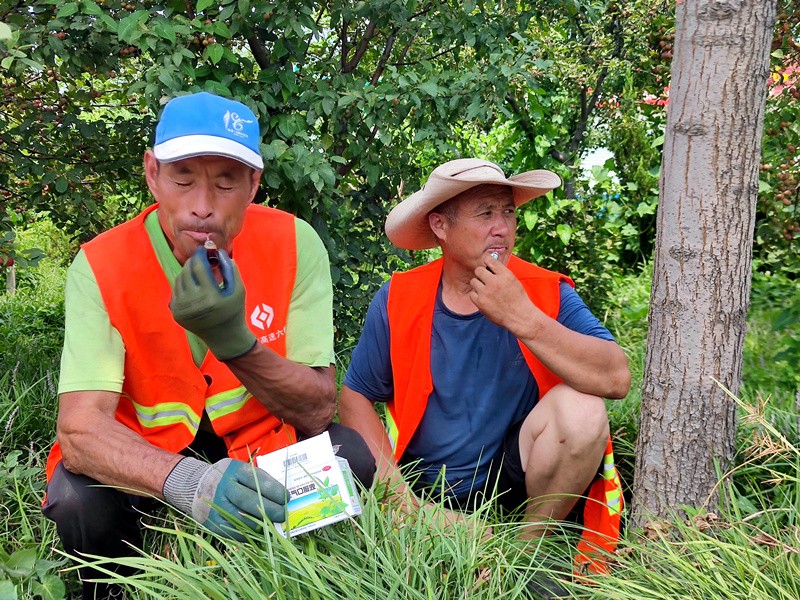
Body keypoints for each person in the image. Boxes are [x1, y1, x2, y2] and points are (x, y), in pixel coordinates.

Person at [42, 91, 375, 599]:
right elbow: (81, 427)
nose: (203, 207)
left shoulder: (294, 243)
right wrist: (187, 481)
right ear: (152, 174)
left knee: (350, 455)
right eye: (182, 180)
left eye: (225, 183)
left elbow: (317, 410)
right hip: (145, 466)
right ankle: (114, 585)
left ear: (253, 186)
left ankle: (289, 570)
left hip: (261, 453)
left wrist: (236, 343)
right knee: (75, 498)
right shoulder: (101, 264)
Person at [338, 158, 630, 573]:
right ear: (440, 226)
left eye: (508, 212)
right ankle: (424, 522)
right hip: (421, 480)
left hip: (514, 477)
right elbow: (355, 398)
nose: (503, 227)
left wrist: (524, 318)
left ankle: (530, 554)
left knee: (583, 408)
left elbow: (616, 377)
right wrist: (404, 503)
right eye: (486, 213)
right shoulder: (399, 297)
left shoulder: (542, 290)